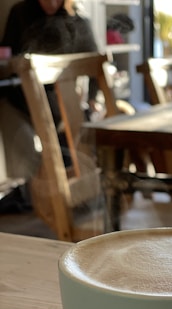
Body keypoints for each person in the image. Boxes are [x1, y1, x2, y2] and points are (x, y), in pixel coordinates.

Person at [0, 0, 99, 205]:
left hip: (64, 97)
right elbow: (7, 53)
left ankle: (71, 188)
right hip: (24, 95)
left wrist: (92, 99)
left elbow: (95, 65)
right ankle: (39, 190)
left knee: (79, 129)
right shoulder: (20, 13)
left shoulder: (77, 20)